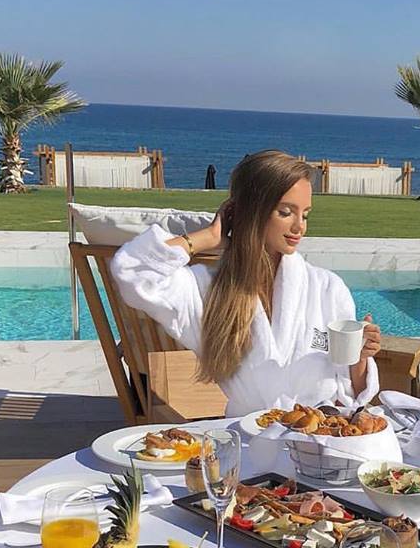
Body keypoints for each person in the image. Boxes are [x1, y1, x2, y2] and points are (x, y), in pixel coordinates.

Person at [110, 150, 381, 415]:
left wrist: (360, 358)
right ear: (253, 212)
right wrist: (209, 237)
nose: (300, 226)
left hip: (320, 433)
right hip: (248, 435)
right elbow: (133, 270)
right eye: (286, 212)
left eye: (305, 214)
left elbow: (353, 395)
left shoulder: (327, 288)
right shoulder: (208, 290)